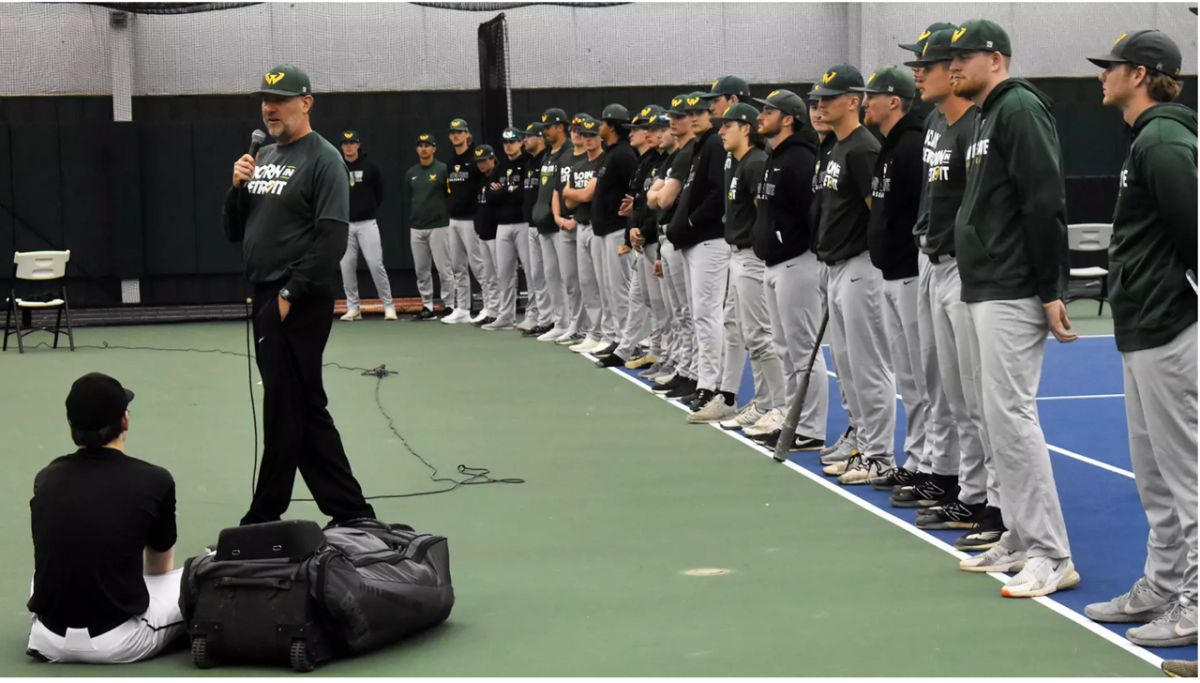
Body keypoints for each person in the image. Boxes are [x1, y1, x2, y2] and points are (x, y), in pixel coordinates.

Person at [948, 20, 1078, 598]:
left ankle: (1052, 553)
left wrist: (1050, 288)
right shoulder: (985, 114)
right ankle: (1023, 536)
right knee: (994, 416)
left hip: (1012, 285)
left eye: (964, 56)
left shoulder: (1019, 108)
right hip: (984, 282)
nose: (953, 66)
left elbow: (1044, 198)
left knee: (1012, 416)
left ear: (996, 58)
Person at [223, 64, 375, 526]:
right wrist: (236, 188)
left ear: (306, 103)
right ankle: (352, 512)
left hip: (297, 299)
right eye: (266, 100)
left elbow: (331, 239)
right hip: (265, 292)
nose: (270, 108)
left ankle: (263, 517)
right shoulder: (262, 157)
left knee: (284, 407)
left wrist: (288, 296)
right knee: (301, 404)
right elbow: (234, 230)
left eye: (282, 99)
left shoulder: (323, 158)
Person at [1084, 29, 1197, 645]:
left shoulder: (1164, 140)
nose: (1103, 74)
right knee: (1154, 475)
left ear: (1144, 74)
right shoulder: (1145, 139)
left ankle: (1197, 598)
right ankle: (1164, 583)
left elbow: (1194, 229)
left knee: (1187, 473)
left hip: (1168, 325)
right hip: (1142, 327)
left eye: (1114, 66)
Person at [899, 28, 1004, 552]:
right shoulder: (936, 122)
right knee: (949, 389)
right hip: (931, 260)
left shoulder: (976, 126)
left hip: (966, 269)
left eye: (930, 63)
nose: (918, 71)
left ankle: (992, 501)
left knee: (978, 393)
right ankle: (966, 486)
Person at [26, 373, 182, 664]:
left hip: (47, 637)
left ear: (71, 427)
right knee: (194, 579)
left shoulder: (46, 477)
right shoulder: (155, 480)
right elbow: (159, 568)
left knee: (44, 574)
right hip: (118, 640)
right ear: (125, 421)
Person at [811, 64, 894, 486]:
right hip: (835, 266)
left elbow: (875, 212)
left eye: (829, 98)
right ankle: (862, 439)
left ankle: (879, 454)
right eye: (819, 98)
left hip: (861, 265)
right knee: (845, 365)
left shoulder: (862, 148)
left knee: (868, 366)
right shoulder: (835, 147)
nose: (820, 105)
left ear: (853, 101)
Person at [851, 66, 930, 488]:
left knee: (920, 376)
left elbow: (920, 214)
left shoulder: (912, 146)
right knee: (909, 377)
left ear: (893, 101)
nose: (865, 102)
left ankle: (929, 464)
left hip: (911, 275)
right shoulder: (891, 146)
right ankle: (918, 460)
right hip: (891, 274)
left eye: (872, 96)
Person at [741, 89, 826, 450]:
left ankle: (811, 427)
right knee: (785, 347)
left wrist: (790, 238)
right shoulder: (775, 156)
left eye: (769, 111)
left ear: (788, 118)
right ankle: (794, 419)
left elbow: (812, 209)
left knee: (803, 348)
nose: (761, 116)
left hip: (797, 260)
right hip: (774, 263)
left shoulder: (800, 159)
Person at [695, 102, 788, 428]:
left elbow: (763, 214)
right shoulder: (736, 163)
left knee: (761, 335)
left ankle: (778, 406)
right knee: (746, 331)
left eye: (728, 125)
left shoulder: (755, 164)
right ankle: (764, 403)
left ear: (745, 128)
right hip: (737, 255)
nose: (720, 130)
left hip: (751, 256)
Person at [666, 91, 730, 413]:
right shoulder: (701, 146)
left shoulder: (714, 145)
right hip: (695, 241)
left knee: (708, 316)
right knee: (700, 315)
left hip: (709, 240)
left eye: (700, 111)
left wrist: (689, 221)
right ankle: (705, 382)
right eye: (689, 112)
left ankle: (710, 386)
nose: (693, 116)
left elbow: (719, 195)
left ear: (710, 114)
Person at [649, 94, 701, 399]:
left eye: (681, 116)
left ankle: (693, 373)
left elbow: (663, 199)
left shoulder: (690, 152)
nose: (674, 121)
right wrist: (658, 194)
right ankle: (685, 368)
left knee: (690, 312)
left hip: (685, 238)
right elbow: (652, 198)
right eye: (674, 115)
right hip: (667, 236)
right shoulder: (674, 156)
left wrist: (659, 193)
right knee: (680, 312)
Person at [592, 104, 642, 368]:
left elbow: (632, 193)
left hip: (615, 229)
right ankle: (615, 337)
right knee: (608, 288)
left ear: (611, 126)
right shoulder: (609, 153)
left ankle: (629, 344)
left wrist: (626, 235)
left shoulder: (624, 155)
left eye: (601, 122)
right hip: (602, 229)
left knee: (621, 289)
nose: (598, 126)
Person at [623, 106, 671, 372]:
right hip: (645, 237)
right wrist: (633, 226)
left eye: (658, 129)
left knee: (669, 306)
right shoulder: (649, 161)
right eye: (650, 129)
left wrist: (643, 229)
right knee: (653, 302)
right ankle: (658, 352)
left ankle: (668, 357)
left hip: (658, 238)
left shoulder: (669, 160)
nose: (654, 134)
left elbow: (662, 205)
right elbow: (637, 201)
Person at [336, 130, 395, 321]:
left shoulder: (370, 166)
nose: (348, 146)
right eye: (345, 143)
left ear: (358, 145)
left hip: (367, 223)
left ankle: (389, 306)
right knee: (346, 267)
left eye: (352, 143)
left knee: (376, 264)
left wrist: (367, 210)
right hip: (345, 225)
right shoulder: (337, 165)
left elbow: (380, 193)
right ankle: (353, 308)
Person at [561, 115, 608, 354]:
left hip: (599, 228)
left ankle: (606, 332)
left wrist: (574, 192)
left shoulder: (603, 161)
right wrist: (578, 193)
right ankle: (594, 331)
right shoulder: (578, 166)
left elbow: (585, 196)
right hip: (580, 226)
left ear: (601, 137)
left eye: (592, 135)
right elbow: (567, 203)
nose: (587, 139)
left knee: (603, 283)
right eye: (584, 135)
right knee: (587, 282)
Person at [532, 108, 579, 343]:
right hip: (544, 225)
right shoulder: (548, 154)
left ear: (560, 127)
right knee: (551, 276)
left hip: (561, 225)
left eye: (548, 127)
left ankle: (574, 323)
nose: (545, 132)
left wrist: (562, 216)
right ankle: (560, 323)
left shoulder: (570, 153)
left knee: (567, 277)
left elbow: (563, 190)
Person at [444, 118, 493, 324]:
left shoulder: (475, 159)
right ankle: (462, 308)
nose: (456, 135)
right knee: (457, 266)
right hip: (453, 220)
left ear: (467, 135)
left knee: (478, 265)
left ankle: (489, 307)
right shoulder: (450, 162)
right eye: (453, 132)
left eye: (459, 132)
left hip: (471, 219)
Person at [405, 133, 454, 322]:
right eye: (420, 145)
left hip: (439, 226)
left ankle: (449, 304)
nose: (423, 148)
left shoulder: (443, 170)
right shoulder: (411, 173)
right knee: (421, 269)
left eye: (427, 145)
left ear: (434, 148)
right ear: (417, 149)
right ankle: (427, 305)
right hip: (417, 227)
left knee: (444, 268)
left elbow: (449, 195)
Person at [489, 128, 531, 332]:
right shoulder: (500, 167)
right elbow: (490, 195)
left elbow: (524, 193)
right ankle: (506, 316)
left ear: (521, 143)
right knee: (504, 273)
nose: (509, 146)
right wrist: (510, 191)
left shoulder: (526, 163)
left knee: (532, 272)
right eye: (505, 143)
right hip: (502, 225)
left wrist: (504, 192)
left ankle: (534, 314)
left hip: (523, 223)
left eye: (513, 142)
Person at [520, 122, 554, 338]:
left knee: (552, 275)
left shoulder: (548, 160)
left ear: (540, 138)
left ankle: (556, 320)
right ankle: (544, 318)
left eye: (528, 136)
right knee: (536, 275)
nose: (525, 140)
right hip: (531, 225)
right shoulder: (528, 163)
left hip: (547, 225)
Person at [472, 143, 506, 329]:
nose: (481, 165)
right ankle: (492, 311)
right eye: (478, 162)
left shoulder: (498, 177)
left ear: (493, 159)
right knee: (489, 276)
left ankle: (504, 312)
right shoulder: (481, 181)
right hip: (483, 232)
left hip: (496, 232)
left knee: (502, 275)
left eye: (484, 160)